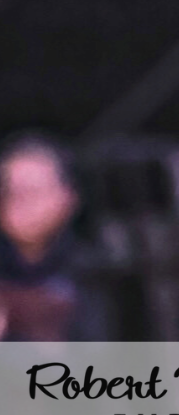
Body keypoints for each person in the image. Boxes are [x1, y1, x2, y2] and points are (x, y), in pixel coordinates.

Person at [0, 135, 105, 340]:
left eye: (32, 190)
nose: (18, 201)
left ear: (67, 198)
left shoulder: (99, 276)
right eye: (8, 189)